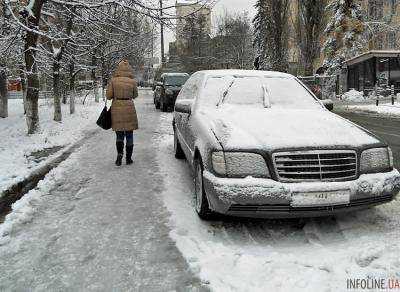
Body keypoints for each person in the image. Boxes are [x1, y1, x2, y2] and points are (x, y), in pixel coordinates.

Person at [106, 60, 139, 166]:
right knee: (129, 134)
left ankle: (120, 154)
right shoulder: (132, 81)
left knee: (119, 134)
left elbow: (108, 96)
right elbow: (135, 95)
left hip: (117, 108)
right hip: (129, 107)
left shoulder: (113, 80)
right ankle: (129, 159)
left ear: (118, 69)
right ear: (129, 69)